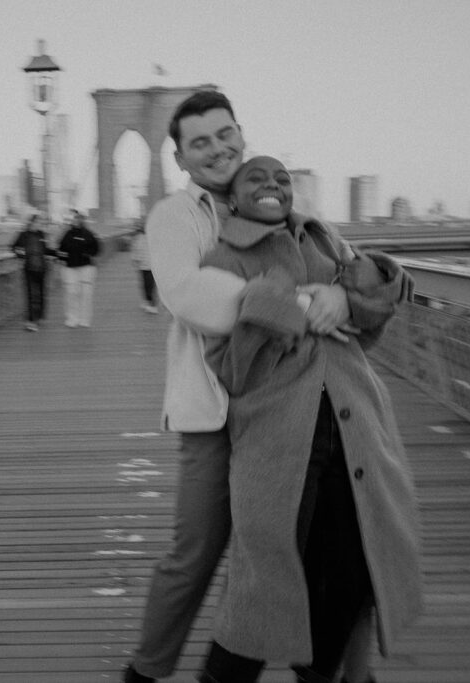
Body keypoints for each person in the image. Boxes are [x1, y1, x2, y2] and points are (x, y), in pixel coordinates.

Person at [124, 91, 356, 683]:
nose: (216, 149)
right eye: (199, 142)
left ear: (241, 135)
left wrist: (344, 296)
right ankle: (147, 673)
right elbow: (188, 294)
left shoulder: (279, 204)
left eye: (224, 134)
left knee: (315, 547)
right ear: (180, 159)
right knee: (196, 553)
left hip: (288, 411)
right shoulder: (174, 217)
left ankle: (325, 670)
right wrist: (301, 304)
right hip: (214, 413)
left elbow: (342, 267)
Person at [194, 155, 422, 683]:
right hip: (278, 439)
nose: (272, 185)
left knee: (348, 566)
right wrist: (285, 304)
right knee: (265, 577)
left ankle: (322, 674)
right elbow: (230, 367)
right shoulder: (221, 261)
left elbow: (388, 298)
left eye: (281, 179)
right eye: (257, 178)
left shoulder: (323, 242)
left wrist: (344, 297)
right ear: (234, 197)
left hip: (358, 429)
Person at [10, 212, 55, 332]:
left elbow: (46, 250)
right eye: (38, 222)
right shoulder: (23, 235)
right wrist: (20, 254)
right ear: (32, 222)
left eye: (41, 222)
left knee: (41, 294)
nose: (40, 224)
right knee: (30, 295)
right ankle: (30, 321)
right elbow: (13, 247)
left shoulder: (42, 234)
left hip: (42, 268)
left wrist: (58, 253)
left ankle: (39, 317)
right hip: (29, 268)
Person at [57, 210, 101, 327]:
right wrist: (62, 260)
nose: (76, 221)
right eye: (74, 219)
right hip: (70, 268)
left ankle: (85, 319)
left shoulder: (89, 234)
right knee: (71, 293)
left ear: (82, 220)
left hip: (86, 268)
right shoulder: (67, 234)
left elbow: (97, 249)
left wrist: (88, 254)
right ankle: (72, 318)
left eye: (79, 219)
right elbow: (61, 249)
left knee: (86, 294)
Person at [130, 220, 159, 313]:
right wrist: (134, 260)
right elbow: (135, 250)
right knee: (144, 285)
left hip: (151, 265)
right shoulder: (137, 238)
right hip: (142, 265)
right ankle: (147, 301)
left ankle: (153, 305)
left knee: (150, 285)